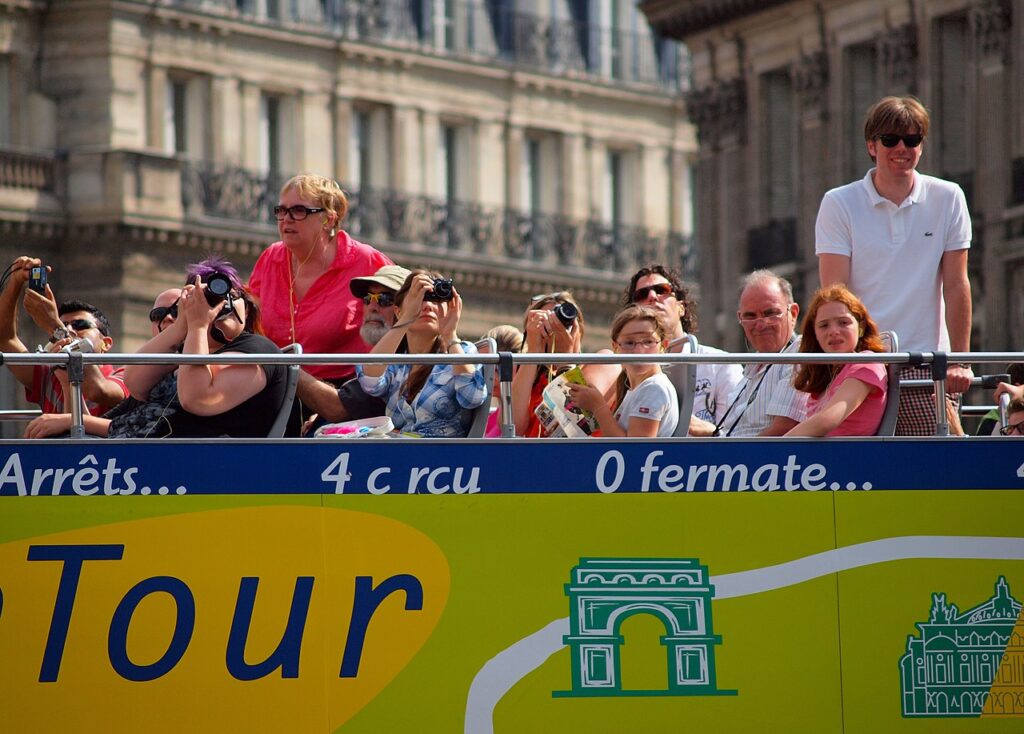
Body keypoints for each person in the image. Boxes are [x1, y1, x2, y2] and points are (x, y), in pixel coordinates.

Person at [816, 95, 973, 435]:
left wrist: (959, 361)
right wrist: (844, 362)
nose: (902, 147)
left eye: (912, 139)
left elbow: (957, 284)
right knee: (853, 469)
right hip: (862, 363)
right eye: (890, 139)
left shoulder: (949, 197)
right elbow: (835, 295)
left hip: (926, 363)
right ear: (872, 146)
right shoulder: (838, 203)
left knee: (945, 465)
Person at [27, 258, 286, 439]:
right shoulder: (184, 355)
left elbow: (197, 399)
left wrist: (197, 326)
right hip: (141, 456)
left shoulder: (256, 348)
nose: (219, 304)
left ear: (248, 306)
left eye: (230, 295)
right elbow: (136, 384)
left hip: (193, 468)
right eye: (205, 297)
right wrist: (183, 323)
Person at [248, 173, 392, 384]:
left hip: (346, 389)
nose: (286, 218)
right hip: (276, 386)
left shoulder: (366, 261)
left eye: (299, 211)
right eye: (281, 210)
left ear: (328, 219)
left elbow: (401, 316)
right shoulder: (271, 258)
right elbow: (249, 323)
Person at [355, 270, 486, 437]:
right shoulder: (395, 361)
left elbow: (472, 397)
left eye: (437, 300)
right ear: (398, 311)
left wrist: (450, 336)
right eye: (419, 299)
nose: (428, 305)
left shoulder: (463, 351)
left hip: (443, 460)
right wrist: (406, 318)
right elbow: (369, 382)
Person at [0, 256, 128, 415]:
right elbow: (5, 338)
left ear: (106, 343)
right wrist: (15, 281)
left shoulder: (124, 376)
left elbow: (97, 390)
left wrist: (56, 328)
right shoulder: (48, 377)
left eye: (80, 325)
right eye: (65, 324)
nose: (70, 329)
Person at [625, 264, 742, 436]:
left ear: (681, 307)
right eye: (641, 295)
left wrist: (710, 431)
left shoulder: (720, 364)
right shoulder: (622, 369)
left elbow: (738, 438)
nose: (652, 297)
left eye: (662, 290)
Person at [295, 264, 411, 426]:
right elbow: (345, 402)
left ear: (409, 309)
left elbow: (337, 407)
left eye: (385, 299)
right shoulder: (378, 357)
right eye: (368, 298)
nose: (372, 307)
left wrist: (286, 368)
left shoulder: (404, 356)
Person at [510, 291, 618, 437]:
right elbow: (512, 427)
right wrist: (534, 351)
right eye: (546, 323)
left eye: (561, 321)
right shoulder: (529, 377)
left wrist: (565, 360)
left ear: (578, 327)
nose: (555, 328)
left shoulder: (603, 362)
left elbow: (578, 421)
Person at [715, 270, 809, 437]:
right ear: (740, 318)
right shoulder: (751, 368)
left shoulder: (800, 351)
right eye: (750, 316)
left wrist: (731, 455)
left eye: (770, 313)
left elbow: (785, 429)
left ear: (793, 313)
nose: (760, 324)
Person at [785, 286, 889, 437]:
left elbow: (827, 420)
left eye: (843, 322)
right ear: (814, 334)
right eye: (824, 325)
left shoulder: (867, 362)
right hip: (818, 459)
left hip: (846, 458)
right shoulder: (825, 378)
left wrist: (776, 448)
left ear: (860, 327)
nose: (834, 331)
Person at [566, 305, 679, 437]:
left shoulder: (653, 388)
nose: (639, 351)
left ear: (663, 346)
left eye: (648, 342)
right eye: (629, 343)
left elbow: (634, 452)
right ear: (615, 347)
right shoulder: (638, 388)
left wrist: (598, 407)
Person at [481, 324, 524, 437]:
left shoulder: (523, 417)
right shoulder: (489, 418)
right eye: (485, 368)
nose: (492, 377)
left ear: (520, 367)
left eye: (498, 369)